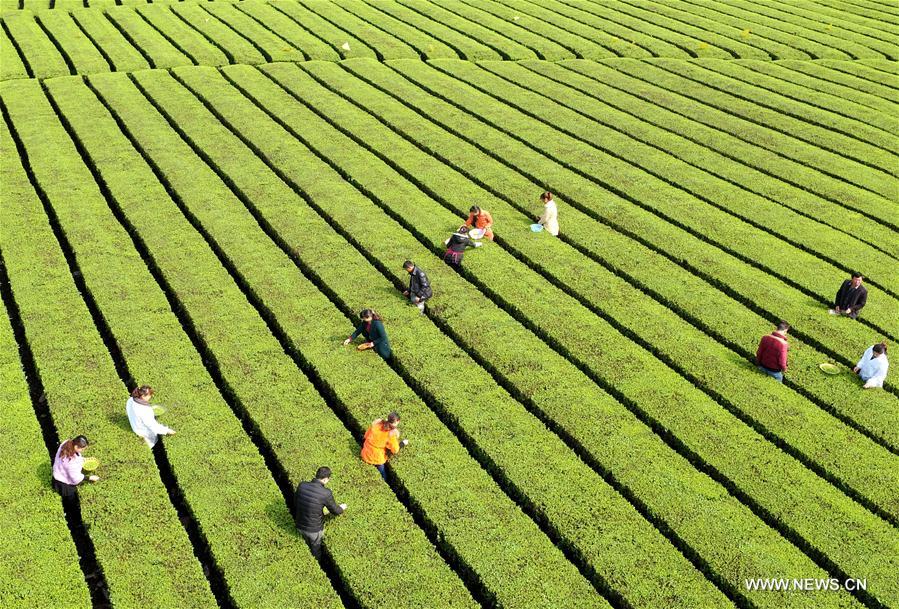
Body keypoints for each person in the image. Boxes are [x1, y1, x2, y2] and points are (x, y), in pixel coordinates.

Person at [294, 466, 346, 559]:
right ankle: (317, 563)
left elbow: (296, 502)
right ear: (326, 479)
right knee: (316, 550)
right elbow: (335, 511)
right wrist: (342, 508)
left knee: (304, 543)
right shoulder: (326, 493)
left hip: (299, 525)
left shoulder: (302, 485)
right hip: (314, 530)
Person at [360, 412, 409, 480]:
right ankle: (385, 480)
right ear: (397, 421)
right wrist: (402, 443)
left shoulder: (376, 425)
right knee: (383, 473)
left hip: (365, 453)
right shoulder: (391, 434)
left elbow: (366, 435)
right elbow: (395, 450)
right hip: (377, 457)